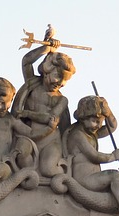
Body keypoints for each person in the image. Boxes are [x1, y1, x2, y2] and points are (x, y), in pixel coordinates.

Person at [11, 35, 76, 177]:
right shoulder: (32, 84)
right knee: (22, 160)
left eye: (64, 80)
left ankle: (67, 177)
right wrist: (48, 48)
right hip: (28, 135)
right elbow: (26, 62)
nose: (60, 82)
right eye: (57, 76)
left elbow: (50, 117)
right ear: (47, 70)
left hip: (50, 140)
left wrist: (27, 113)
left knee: (49, 169)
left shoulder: (62, 100)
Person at [62, 95, 119, 212]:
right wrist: (112, 156)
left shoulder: (92, 132)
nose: (98, 126)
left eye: (100, 122)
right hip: (84, 179)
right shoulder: (77, 135)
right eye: (94, 121)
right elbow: (94, 156)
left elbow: (112, 127)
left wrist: (108, 112)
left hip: (92, 177)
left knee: (116, 179)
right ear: (83, 118)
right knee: (115, 175)